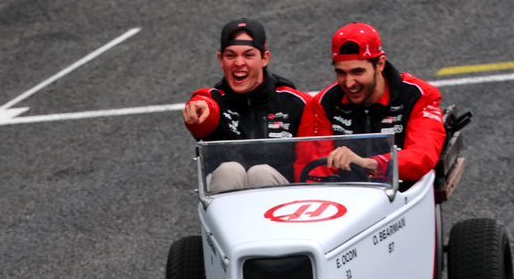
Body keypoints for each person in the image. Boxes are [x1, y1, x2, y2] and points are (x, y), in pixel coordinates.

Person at [297, 23, 445, 184]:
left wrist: (369, 164)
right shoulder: (324, 103)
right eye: (341, 72)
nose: (349, 83)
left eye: (358, 72)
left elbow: (422, 156)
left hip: (403, 196)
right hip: (348, 199)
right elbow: (314, 167)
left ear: (380, 64)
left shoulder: (419, 95)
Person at [181, 18, 311, 191]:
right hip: (229, 207)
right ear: (220, 59)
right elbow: (203, 114)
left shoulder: (295, 102)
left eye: (248, 55)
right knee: (230, 170)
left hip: (285, 207)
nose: (239, 63)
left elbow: (312, 161)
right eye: (230, 55)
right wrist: (199, 109)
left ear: (265, 58)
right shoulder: (211, 102)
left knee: (260, 173)